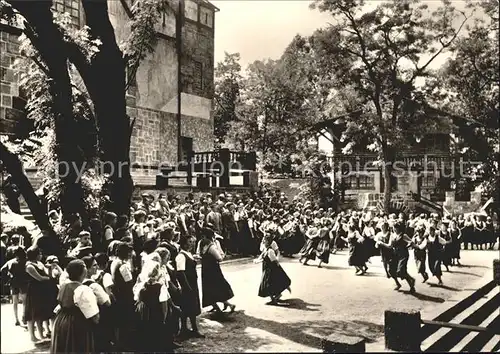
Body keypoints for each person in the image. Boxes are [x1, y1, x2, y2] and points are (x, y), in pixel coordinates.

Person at [50, 259, 99, 353]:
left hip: (60, 321)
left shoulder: (64, 286)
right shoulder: (84, 289)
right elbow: (94, 316)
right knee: (77, 347)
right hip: (76, 323)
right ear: (83, 272)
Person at [133, 260, 173, 352]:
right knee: (157, 338)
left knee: (146, 337)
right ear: (158, 273)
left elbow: (137, 299)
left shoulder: (141, 286)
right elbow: (164, 306)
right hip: (156, 314)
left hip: (144, 315)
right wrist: (164, 318)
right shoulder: (160, 287)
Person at [198, 228, 235, 313]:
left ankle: (229, 305)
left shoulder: (211, 246)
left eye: (203, 236)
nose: (202, 238)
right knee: (208, 288)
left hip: (213, 269)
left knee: (216, 287)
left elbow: (219, 258)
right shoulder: (202, 244)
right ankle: (216, 307)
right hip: (206, 269)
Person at [175, 235, 204, 339]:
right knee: (186, 306)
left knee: (192, 306)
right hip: (187, 285)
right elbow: (180, 273)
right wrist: (186, 286)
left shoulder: (189, 254)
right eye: (189, 242)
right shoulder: (181, 256)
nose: (191, 244)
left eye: (192, 242)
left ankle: (194, 329)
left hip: (192, 283)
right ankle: (183, 329)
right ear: (183, 243)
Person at [24, 246, 52, 343]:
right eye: (39, 254)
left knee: (39, 313)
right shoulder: (29, 266)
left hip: (41, 291)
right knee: (31, 313)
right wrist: (48, 278)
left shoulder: (39, 263)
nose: (41, 255)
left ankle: (41, 335)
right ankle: (32, 336)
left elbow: (46, 272)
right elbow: (39, 278)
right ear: (34, 255)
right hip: (33, 291)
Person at [256, 235, 291, 304]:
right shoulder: (265, 249)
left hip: (270, 269)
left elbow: (274, 261)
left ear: (268, 242)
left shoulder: (270, 251)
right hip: (266, 268)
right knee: (268, 284)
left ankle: (275, 298)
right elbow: (262, 256)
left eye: (264, 240)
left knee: (268, 284)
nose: (263, 241)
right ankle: (274, 299)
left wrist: (278, 269)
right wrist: (258, 260)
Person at [1, 246, 28, 327]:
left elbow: (2, 270)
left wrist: (7, 277)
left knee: (15, 302)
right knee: (24, 302)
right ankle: (24, 317)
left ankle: (16, 319)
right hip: (23, 282)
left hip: (14, 283)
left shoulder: (11, 262)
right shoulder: (25, 261)